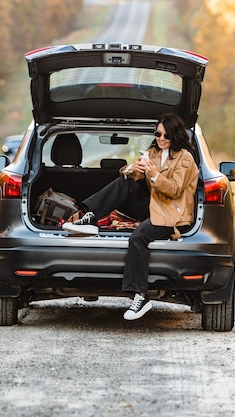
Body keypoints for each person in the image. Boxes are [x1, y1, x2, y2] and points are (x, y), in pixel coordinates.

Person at [62, 113, 199, 320]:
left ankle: (140, 297)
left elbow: (175, 190)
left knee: (138, 238)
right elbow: (134, 177)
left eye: (166, 135)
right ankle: (90, 217)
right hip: (152, 206)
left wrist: (153, 174)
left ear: (176, 135)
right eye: (158, 134)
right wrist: (132, 169)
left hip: (171, 214)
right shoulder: (153, 152)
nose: (161, 139)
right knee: (124, 182)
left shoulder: (185, 158)